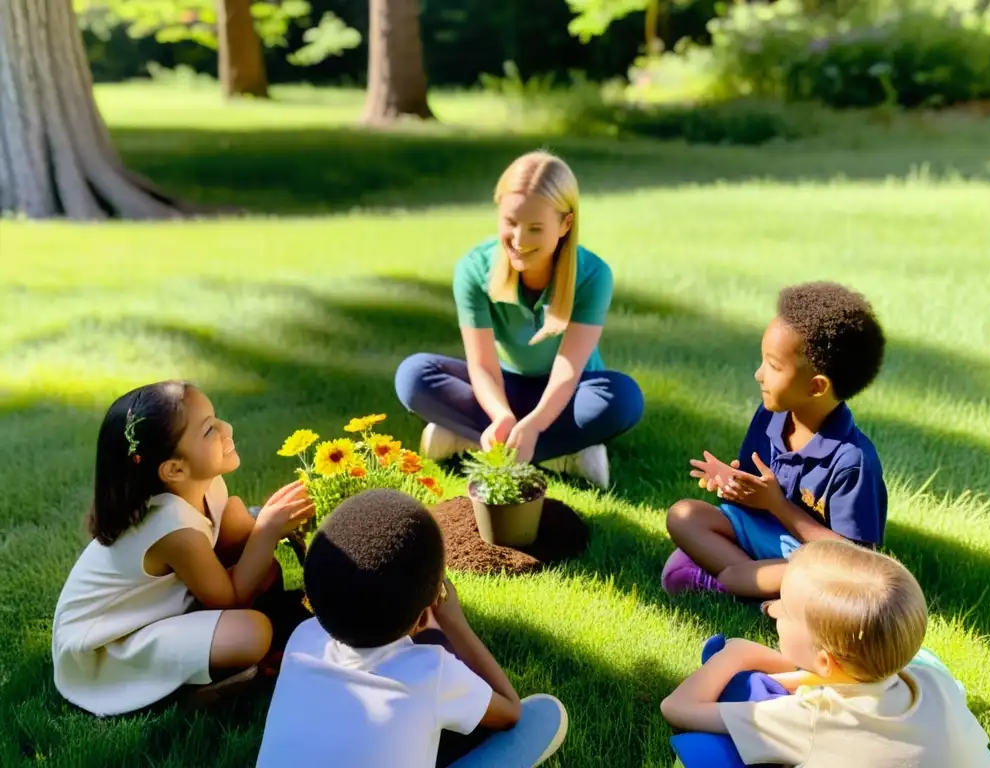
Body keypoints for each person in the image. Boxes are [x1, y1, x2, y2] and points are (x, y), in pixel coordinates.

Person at [51, 381, 315, 717]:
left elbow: (240, 553)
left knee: (238, 520)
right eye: (209, 430)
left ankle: (220, 647)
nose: (226, 428)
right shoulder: (171, 527)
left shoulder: (201, 486)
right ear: (175, 469)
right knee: (254, 632)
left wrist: (262, 532)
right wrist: (268, 529)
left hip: (159, 608)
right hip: (109, 650)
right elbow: (228, 598)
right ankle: (194, 687)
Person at [255, 489, 568, 768]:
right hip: (446, 681)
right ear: (425, 613)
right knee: (540, 719)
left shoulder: (303, 638)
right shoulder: (432, 673)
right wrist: (456, 623)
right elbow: (512, 711)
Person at [394, 150, 644, 489]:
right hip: (501, 387)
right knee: (413, 376)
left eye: (535, 228)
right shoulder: (474, 269)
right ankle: (562, 455)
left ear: (565, 224)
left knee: (623, 399)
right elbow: (481, 364)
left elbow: (569, 368)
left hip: (569, 392)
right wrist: (501, 415)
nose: (519, 240)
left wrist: (537, 423)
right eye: (510, 223)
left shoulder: (593, 275)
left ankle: (468, 441)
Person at [660, 539, 990, 767]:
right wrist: (786, 673)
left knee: (705, 751)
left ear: (825, 660)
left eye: (786, 610)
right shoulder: (930, 678)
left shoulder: (809, 717)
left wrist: (735, 655)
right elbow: (831, 679)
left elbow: (677, 709)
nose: (773, 610)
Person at [663, 282, 888, 598]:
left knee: (832, 580)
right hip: (761, 536)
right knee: (684, 515)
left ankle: (736, 583)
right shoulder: (770, 416)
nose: (758, 374)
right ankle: (751, 585)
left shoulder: (853, 460)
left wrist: (777, 505)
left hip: (808, 560)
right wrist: (734, 485)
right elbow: (753, 499)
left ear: (816, 387)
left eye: (773, 366)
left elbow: (858, 563)